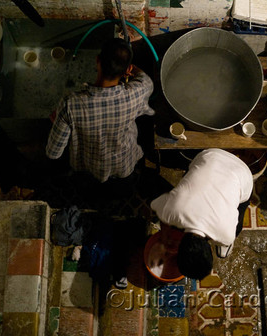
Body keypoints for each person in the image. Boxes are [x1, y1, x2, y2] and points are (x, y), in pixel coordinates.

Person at [46, 38, 154, 183]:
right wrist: (132, 69)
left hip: (87, 168)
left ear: (97, 60)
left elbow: (53, 153)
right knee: (124, 184)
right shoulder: (136, 93)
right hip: (124, 165)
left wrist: (58, 121)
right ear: (127, 70)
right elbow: (146, 80)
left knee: (88, 184)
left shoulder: (70, 104)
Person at [150, 148, 254, 280]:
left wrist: (164, 238)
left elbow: (162, 213)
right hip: (216, 160)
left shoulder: (226, 235)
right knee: (233, 229)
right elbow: (159, 209)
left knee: (235, 228)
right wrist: (164, 237)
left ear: (210, 249)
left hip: (225, 165)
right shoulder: (171, 211)